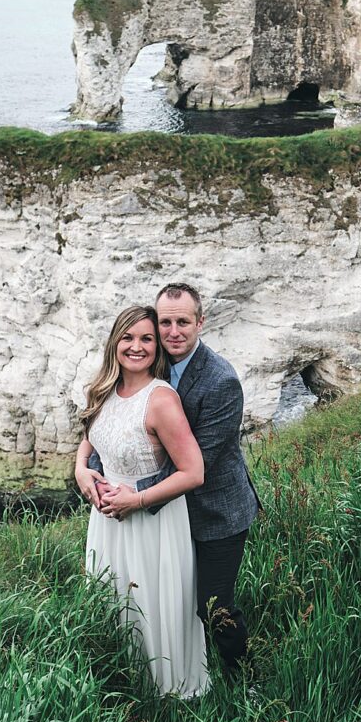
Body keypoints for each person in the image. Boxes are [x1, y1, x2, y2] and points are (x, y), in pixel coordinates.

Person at [92, 283, 259, 671]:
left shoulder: (221, 382)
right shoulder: (151, 361)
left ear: (200, 322)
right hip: (168, 513)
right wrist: (93, 472)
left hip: (214, 511)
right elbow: (123, 426)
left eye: (183, 322)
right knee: (168, 597)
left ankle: (242, 678)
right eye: (165, 322)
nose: (173, 332)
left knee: (212, 604)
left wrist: (131, 495)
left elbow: (198, 464)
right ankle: (167, 662)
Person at [75, 304, 209, 698]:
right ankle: (122, 684)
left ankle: (168, 696)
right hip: (106, 519)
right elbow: (91, 436)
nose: (136, 346)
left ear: (157, 347)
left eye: (147, 339)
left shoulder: (161, 399)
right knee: (114, 601)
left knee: (152, 605)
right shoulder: (102, 390)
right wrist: (82, 469)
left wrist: (137, 500)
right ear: (115, 342)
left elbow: (193, 472)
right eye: (128, 338)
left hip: (151, 520)